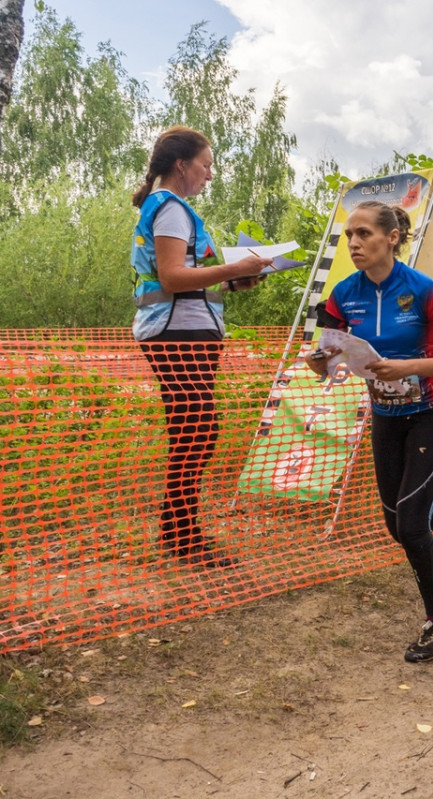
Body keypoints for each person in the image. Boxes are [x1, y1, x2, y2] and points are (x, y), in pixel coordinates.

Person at [304, 200, 433, 664]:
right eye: (349, 235)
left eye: (364, 234)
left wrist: (408, 365)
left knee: (411, 524)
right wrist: (320, 361)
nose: (353, 243)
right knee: (399, 525)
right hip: (386, 419)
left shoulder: (426, 291)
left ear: (392, 237)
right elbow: (325, 359)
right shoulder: (343, 294)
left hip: (432, 414)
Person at [132, 126, 274, 569]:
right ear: (182, 165)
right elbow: (174, 277)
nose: (210, 175)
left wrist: (233, 279)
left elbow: (181, 278)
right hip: (177, 332)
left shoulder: (171, 208)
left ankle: (181, 533)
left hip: (181, 328)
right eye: (206, 165)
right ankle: (183, 537)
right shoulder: (171, 209)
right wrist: (232, 266)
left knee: (195, 429)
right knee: (198, 429)